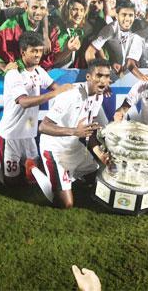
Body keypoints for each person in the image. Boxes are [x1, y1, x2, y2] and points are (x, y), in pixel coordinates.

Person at [0, 32, 73, 185]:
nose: (38, 55)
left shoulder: (39, 71)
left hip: (29, 133)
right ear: (23, 52)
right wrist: (56, 93)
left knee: (31, 180)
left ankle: (20, 164)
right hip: (11, 135)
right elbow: (24, 102)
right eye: (33, 51)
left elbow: (56, 87)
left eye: (40, 51)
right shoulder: (13, 74)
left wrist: (69, 94)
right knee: (10, 183)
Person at [36, 59, 112, 209]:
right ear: (89, 77)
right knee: (66, 204)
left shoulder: (98, 96)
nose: (103, 81)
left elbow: (88, 131)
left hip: (73, 147)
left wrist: (100, 154)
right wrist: (74, 132)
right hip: (55, 149)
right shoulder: (70, 95)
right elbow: (43, 126)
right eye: (99, 75)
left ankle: (66, 179)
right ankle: (35, 169)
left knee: (96, 179)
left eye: (106, 76)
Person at [0, 0, 59, 75]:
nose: (38, 12)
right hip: (7, 77)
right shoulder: (11, 25)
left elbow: (52, 57)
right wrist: (4, 67)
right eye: (34, 7)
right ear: (27, 7)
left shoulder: (50, 31)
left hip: (34, 77)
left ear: (46, 10)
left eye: (42, 8)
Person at [85, 0, 148, 81]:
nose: (127, 19)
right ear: (117, 16)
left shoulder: (138, 28)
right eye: (124, 15)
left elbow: (131, 63)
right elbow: (89, 52)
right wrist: (97, 72)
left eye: (130, 15)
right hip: (114, 74)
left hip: (134, 72)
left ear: (135, 16)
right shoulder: (110, 29)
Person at [54, 0, 87, 69]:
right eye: (75, 9)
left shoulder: (81, 32)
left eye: (82, 10)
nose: (79, 14)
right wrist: (69, 50)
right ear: (66, 11)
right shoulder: (58, 32)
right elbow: (52, 61)